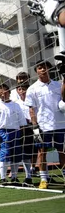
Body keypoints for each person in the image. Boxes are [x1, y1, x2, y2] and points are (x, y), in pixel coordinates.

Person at [24, 60, 65, 189]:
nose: (43, 70)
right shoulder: (32, 89)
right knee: (42, 153)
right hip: (43, 126)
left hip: (60, 124)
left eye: (45, 67)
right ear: (36, 71)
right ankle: (43, 179)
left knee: (63, 152)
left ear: (49, 69)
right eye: (40, 68)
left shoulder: (58, 85)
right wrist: (35, 126)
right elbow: (31, 109)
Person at [0, 84, 28, 184]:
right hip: (3, 132)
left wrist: (22, 134)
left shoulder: (16, 105)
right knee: (4, 154)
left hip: (15, 131)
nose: (2, 94)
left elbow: (22, 121)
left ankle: (14, 176)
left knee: (16, 154)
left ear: (9, 92)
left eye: (3, 92)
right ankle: (2, 177)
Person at [12, 83, 36, 186]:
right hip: (21, 130)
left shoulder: (32, 101)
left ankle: (36, 173)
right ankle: (19, 176)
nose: (22, 91)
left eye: (23, 89)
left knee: (35, 152)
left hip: (33, 128)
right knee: (21, 153)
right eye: (19, 89)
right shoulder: (16, 103)